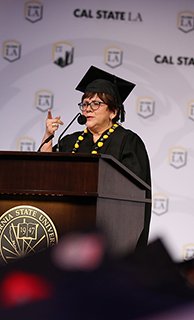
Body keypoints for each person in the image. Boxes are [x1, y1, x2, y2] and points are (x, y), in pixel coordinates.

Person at [40, 66, 152, 247]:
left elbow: (135, 194)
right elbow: (45, 170)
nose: (88, 109)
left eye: (96, 104)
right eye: (85, 104)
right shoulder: (71, 140)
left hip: (111, 232)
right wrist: (48, 136)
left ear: (113, 112)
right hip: (69, 226)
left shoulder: (128, 142)